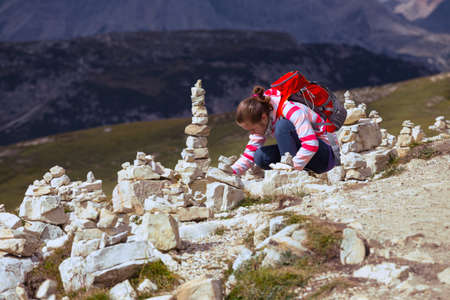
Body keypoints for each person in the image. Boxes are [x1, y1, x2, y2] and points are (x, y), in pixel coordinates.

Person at [230, 85, 337, 176]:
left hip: (324, 157)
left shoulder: (290, 109)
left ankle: (291, 174)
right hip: (304, 156)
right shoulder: (263, 116)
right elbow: (250, 154)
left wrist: (290, 170)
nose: (252, 133)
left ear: (263, 117)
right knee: (260, 156)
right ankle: (293, 168)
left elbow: (311, 144)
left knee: (283, 126)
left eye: (252, 129)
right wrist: (230, 172)